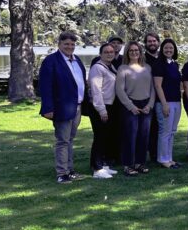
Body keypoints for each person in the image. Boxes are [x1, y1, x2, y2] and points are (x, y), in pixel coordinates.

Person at [39, 31, 87, 184]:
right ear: (59, 44)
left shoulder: (77, 60)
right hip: (62, 107)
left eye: (72, 44)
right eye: (66, 44)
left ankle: (70, 170)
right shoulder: (51, 61)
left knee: (70, 140)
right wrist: (47, 108)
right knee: (62, 141)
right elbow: (45, 86)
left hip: (77, 107)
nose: (69, 47)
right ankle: (62, 173)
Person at [116, 41, 155, 176]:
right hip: (130, 105)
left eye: (136, 50)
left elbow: (152, 89)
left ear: (140, 52)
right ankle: (128, 165)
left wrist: (149, 105)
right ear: (127, 52)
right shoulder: (123, 68)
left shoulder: (148, 68)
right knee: (130, 136)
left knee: (144, 136)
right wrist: (131, 106)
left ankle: (140, 163)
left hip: (146, 105)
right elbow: (119, 90)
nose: (134, 52)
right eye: (131, 50)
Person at [87, 43, 119, 179]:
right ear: (100, 54)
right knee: (99, 137)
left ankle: (103, 165)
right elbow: (96, 90)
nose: (109, 54)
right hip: (100, 107)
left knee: (106, 137)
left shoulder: (110, 67)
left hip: (110, 106)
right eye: (106, 52)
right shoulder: (97, 68)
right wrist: (101, 110)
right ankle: (97, 168)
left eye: (111, 52)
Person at [152, 39, 182, 169]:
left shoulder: (174, 64)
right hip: (165, 103)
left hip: (176, 102)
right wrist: (164, 104)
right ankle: (163, 159)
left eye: (171, 48)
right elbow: (158, 86)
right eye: (166, 48)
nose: (169, 50)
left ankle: (169, 158)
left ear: (174, 50)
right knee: (165, 132)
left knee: (172, 131)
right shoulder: (159, 64)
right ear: (162, 49)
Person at [143, 33, 160, 163]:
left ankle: (158, 153)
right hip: (147, 98)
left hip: (162, 99)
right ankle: (151, 154)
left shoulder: (162, 58)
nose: (152, 43)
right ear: (146, 44)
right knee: (149, 128)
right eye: (149, 41)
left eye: (154, 41)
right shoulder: (142, 60)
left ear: (158, 42)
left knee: (160, 127)